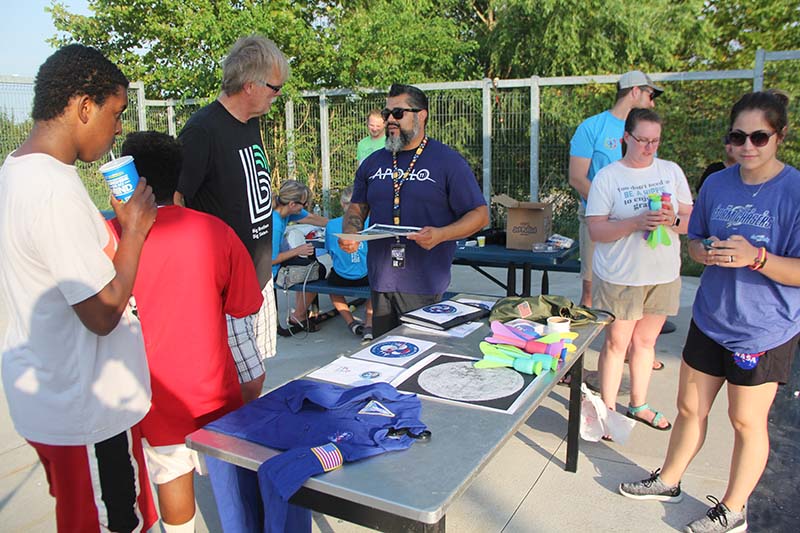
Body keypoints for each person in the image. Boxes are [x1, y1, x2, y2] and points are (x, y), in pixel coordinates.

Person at [619, 90, 800, 533]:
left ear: (780, 136)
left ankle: (734, 508)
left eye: (759, 136)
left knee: (744, 421)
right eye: (737, 136)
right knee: (688, 408)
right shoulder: (718, 183)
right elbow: (695, 240)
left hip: (763, 330)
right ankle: (669, 479)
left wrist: (755, 257)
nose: (747, 147)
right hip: (711, 318)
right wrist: (704, 252)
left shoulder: (794, 190)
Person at [0, 44, 158, 532]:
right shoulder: (53, 191)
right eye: (114, 114)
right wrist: (134, 230)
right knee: (115, 521)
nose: (116, 131)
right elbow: (103, 311)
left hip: (54, 395)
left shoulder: (16, 169)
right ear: (83, 106)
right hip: (87, 413)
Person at [116, 131, 264, 532]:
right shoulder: (215, 230)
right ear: (178, 177)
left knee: (170, 475)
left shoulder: (116, 237)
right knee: (233, 487)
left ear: (129, 179)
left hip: (154, 393)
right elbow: (242, 311)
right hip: (216, 389)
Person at [175, 35, 289, 402]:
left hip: (257, 275)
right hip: (226, 286)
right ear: (249, 85)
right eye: (274, 87)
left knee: (256, 372)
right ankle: (230, 449)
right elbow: (177, 200)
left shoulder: (250, 123)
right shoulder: (202, 130)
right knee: (245, 381)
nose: (278, 94)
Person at [340, 83, 489, 337]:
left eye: (398, 114)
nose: (390, 121)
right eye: (387, 114)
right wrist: (351, 232)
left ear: (422, 115)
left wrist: (442, 234)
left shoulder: (447, 161)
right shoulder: (373, 162)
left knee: (421, 359)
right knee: (386, 356)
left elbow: (480, 215)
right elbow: (358, 206)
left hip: (424, 281)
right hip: (380, 279)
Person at [586, 108, 693, 434]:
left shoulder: (671, 172)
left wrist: (671, 220)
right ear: (626, 139)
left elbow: (690, 222)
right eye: (642, 140)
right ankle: (607, 411)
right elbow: (596, 231)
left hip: (661, 275)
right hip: (621, 276)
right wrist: (634, 223)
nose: (649, 148)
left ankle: (639, 403)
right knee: (617, 344)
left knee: (646, 343)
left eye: (655, 141)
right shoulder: (609, 176)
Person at [569, 69, 668, 375]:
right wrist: (609, 212)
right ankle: (574, 365)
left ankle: (634, 350)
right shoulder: (592, 128)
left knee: (641, 290)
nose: (652, 101)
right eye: (650, 94)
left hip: (644, 226)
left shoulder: (645, 131)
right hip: (602, 224)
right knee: (591, 292)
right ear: (634, 91)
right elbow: (577, 177)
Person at [271, 180, 328, 333]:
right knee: (318, 271)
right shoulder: (275, 222)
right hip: (272, 271)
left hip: (280, 261)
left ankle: (301, 311)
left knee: (312, 263)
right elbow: (271, 259)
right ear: (292, 205)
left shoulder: (284, 212)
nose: (305, 206)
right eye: (304, 203)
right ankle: (299, 315)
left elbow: (311, 218)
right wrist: (297, 250)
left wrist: (339, 224)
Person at [325, 185, 374, 340]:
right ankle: (369, 323)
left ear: (342, 204)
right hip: (367, 276)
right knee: (378, 281)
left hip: (341, 278)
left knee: (331, 287)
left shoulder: (331, 225)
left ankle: (350, 322)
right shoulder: (371, 223)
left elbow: (329, 251)